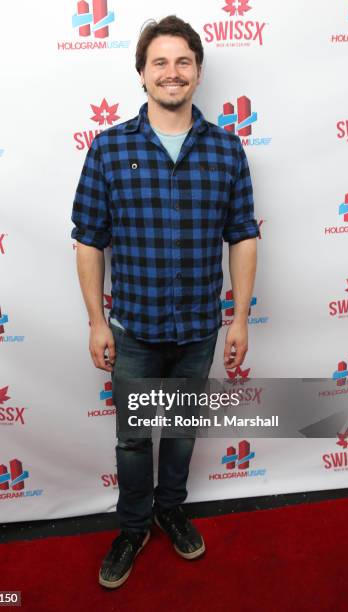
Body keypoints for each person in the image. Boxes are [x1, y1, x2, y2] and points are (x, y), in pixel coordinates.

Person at [71, 15, 258, 589]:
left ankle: (170, 509)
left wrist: (240, 319)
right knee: (132, 436)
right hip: (132, 329)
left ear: (198, 72)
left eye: (182, 62)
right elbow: (88, 239)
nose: (171, 72)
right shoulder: (109, 148)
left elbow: (243, 236)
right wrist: (96, 322)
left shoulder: (227, 150)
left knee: (179, 430)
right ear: (142, 74)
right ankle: (133, 526)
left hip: (201, 328)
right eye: (160, 62)